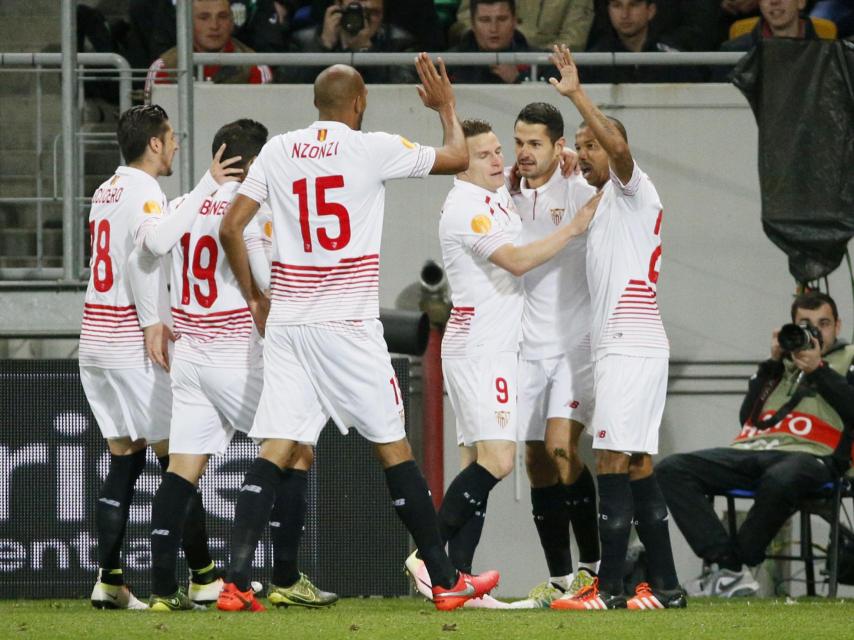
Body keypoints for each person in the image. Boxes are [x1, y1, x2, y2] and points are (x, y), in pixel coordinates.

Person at [214, 54, 500, 613]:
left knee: (276, 447)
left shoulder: (278, 150)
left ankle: (235, 581)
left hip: (290, 323)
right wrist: (446, 108)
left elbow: (231, 227)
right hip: (347, 325)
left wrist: (254, 297)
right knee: (394, 448)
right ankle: (444, 579)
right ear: (360, 101)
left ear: (315, 103)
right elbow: (457, 156)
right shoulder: (372, 148)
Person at [131, 119, 337, 611]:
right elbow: (265, 282)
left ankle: (162, 590)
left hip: (189, 358)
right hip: (237, 356)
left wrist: (155, 319)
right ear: (257, 161)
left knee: (182, 469)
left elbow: (144, 257)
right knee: (295, 449)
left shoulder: (181, 205)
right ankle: (281, 577)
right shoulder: (253, 210)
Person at [404, 118, 600, 609]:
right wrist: (574, 226)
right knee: (500, 460)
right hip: (481, 347)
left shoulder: (493, 191)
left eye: (499, 151)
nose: (499, 160)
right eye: (486, 154)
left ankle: (458, 582)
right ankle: (428, 558)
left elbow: (522, 176)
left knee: (475, 464)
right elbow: (516, 260)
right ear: (461, 163)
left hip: (487, 345)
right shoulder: (466, 208)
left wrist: (560, 160)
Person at [546, 44, 685, 611]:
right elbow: (578, 169)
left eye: (592, 144)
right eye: (580, 146)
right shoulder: (604, 200)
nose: (586, 154)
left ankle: (606, 590)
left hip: (629, 345)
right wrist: (568, 158)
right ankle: (668, 586)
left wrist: (578, 94)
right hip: (634, 344)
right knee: (638, 465)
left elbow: (620, 150)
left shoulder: (634, 188)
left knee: (608, 461)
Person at [80, 105, 235, 609]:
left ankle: (109, 580)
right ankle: (204, 577)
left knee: (124, 459)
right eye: (170, 138)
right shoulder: (145, 190)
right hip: (131, 345)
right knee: (179, 459)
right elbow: (153, 244)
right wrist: (209, 185)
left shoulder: (105, 190)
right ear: (153, 144)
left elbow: (128, 255)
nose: (175, 145)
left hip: (94, 342)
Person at [658, 291, 854, 597]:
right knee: (671, 468)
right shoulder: (780, 364)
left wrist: (818, 369)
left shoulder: (850, 359)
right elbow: (746, 417)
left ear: (838, 326)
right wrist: (772, 363)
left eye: (824, 324)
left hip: (813, 456)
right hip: (754, 450)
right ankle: (728, 567)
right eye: (805, 324)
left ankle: (733, 566)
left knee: (782, 477)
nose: (815, 332)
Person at [507, 103, 601, 608]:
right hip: (526, 348)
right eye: (519, 142)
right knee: (535, 460)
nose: (524, 152)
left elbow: (621, 183)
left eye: (535, 143)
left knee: (562, 447)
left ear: (558, 146)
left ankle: (593, 569)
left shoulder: (580, 190)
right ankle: (561, 578)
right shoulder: (504, 194)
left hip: (574, 344)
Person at [144, 0, 273, 102]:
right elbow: (151, 124)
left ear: (232, 22)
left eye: (222, 17)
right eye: (204, 18)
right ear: (188, 22)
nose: (214, 26)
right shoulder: (164, 68)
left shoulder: (255, 67)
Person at [292, 0, 416, 84]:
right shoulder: (303, 40)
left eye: (373, 13)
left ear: (383, 15)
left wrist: (366, 52)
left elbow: (402, 92)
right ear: (337, 7)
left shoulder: (400, 43)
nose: (363, 19)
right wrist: (323, 46)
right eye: (356, 12)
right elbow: (289, 89)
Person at [585, 0, 704, 83]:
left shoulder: (675, 63)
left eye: (633, 5)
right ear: (608, 11)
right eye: (617, 6)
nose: (625, 15)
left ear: (651, 11)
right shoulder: (593, 63)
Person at [448, 0, 536, 85]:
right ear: (472, 24)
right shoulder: (448, 65)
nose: (493, 29)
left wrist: (518, 80)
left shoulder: (539, 62)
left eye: (502, 19)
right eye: (485, 20)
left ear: (514, 22)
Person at [451, 0, 595, 52]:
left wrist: (531, 59)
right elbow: (465, 20)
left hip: (545, 63)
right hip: (478, 54)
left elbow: (574, 40)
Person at [721, 0, 819, 51]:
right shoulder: (731, 52)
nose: (774, 1)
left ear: (801, 2)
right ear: (759, 3)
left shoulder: (824, 54)